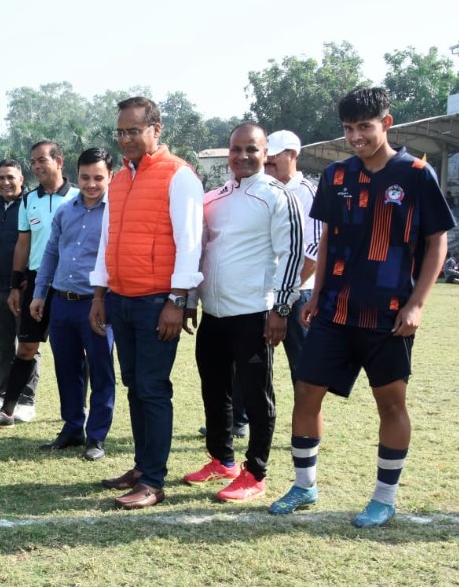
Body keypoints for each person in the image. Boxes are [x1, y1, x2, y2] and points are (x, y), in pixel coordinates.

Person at [269, 87, 456, 527]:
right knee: (306, 393)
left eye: (364, 127)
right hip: (334, 309)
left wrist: (416, 304)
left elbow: (437, 242)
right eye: (348, 128)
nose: (356, 137)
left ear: (386, 123)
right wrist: (317, 293)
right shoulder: (336, 175)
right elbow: (327, 239)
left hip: (388, 313)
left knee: (390, 403)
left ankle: (384, 497)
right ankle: (304, 485)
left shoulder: (416, 173)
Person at [90, 96, 205, 509]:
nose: (126, 139)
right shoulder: (120, 179)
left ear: (157, 130)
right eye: (120, 132)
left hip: (158, 302)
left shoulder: (179, 176)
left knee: (153, 389)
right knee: (135, 386)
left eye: (134, 131)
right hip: (121, 298)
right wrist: (100, 294)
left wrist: (177, 299)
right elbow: (107, 240)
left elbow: (190, 242)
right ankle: (142, 468)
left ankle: (154, 482)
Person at [182, 122, 303, 503]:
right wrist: (190, 300)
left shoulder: (277, 196)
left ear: (265, 153)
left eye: (252, 149)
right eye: (236, 149)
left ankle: (256, 472)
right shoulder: (213, 198)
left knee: (256, 395)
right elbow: (198, 250)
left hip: (255, 313)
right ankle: (222, 460)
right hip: (213, 314)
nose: (243, 156)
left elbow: (292, 254)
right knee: (214, 390)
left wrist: (281, 308)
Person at [0, 141, 79, 435]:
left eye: (41, 160)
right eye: (33, 161)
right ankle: (7, 409)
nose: (37, 166)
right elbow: (23, 244)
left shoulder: (77, 196)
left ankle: (74, 417)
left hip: (71, 281)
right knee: (24, 346)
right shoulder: (28, 201)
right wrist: (14, 283)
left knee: (73, 353)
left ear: (58, 161)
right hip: (35, 282)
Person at [29, 148, 116, 461]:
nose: (91, 184)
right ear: (76, 175)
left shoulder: (116, 213)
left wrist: (104, 299)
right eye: (85, 177)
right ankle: (72, 427)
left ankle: (97, 436)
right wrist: (40, 293)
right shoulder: (66, 211)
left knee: (101, 370)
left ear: (110, 177)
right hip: (62, 302)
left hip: (97, 304)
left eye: (98, 178)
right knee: (67, 369)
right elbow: (51, 252)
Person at [0, 160, 41, 421]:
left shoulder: (30, 203)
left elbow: (34, 242)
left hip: (23, 287)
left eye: (10, 177)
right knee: (2, 344)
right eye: (1, 177)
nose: (5, 182)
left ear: (21, 179)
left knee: (27, 343)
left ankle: (26, 399)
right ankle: (1, 394)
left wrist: (26, 277)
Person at [265, 130, 323, 385]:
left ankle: (305, 412)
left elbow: (315, 249)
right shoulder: (265, 189)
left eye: (274, 156)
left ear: (292, 155)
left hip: (299, 293)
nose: (268, 162)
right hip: (264, 292)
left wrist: (287, 291)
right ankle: (248, 412)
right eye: (266, 156)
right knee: (253, 362)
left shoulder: (307, 192)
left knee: (302, 366)